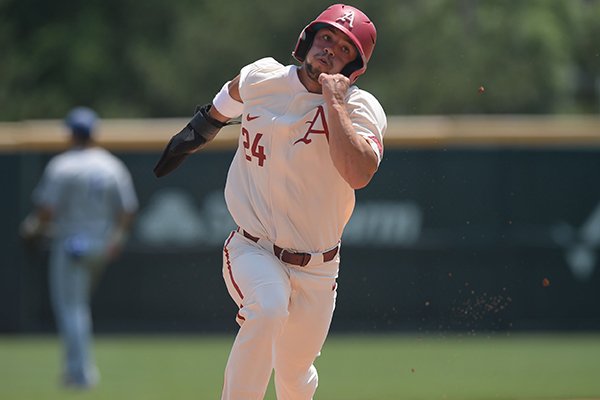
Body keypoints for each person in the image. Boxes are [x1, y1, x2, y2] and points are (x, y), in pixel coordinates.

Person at [154, 4, 386, 399]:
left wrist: (333, 103)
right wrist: (200, 128)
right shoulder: (263, 76)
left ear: (354, 67)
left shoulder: (360, 108)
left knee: (294, 377)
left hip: (318, 267)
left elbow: (358, 174)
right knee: (268, 307)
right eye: (326, 37)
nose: (329, 49)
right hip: (253, 246)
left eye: (345, 48)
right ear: (308, 40)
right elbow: (230, 96)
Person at [19, 106, 139, 389]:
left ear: (71, 133)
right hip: (101, 245)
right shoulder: (111, 164)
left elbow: (46, 210)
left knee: (72, 309)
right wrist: (117, 238)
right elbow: (128, 209)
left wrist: (32, 228)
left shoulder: (63, 165)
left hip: (72, 244)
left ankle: (80, 374)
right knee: (79, 307)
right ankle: (76, 371)